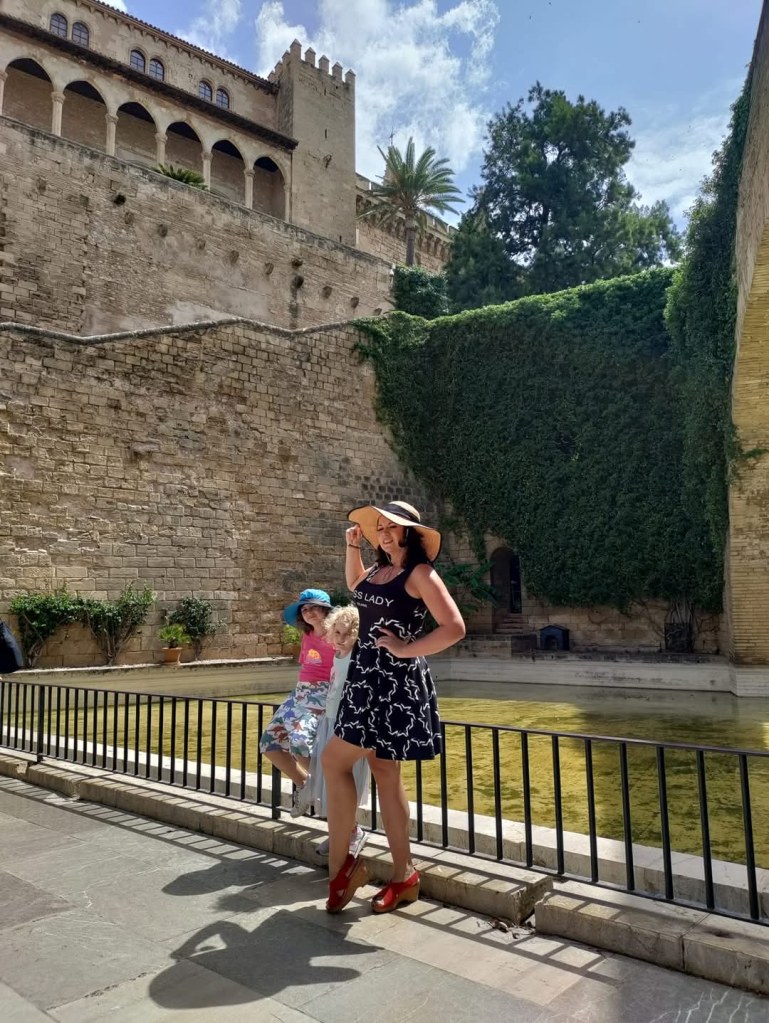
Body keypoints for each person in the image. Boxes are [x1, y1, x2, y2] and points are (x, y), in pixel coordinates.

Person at [322, 501, 465, 914]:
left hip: (394, 682)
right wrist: (352, 547)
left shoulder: (419, 573)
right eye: (379, 528)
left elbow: (454, 627)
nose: (383, 534)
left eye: (391, 528)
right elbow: (357, 588)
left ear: (410, 533)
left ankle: (344, 870)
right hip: (365, 677)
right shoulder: (377, 570)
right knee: (384, 773)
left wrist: (405, 649)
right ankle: (403, 876)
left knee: (335, 761)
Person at [259, 588, 335, 814]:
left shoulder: (337, 634)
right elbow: (307, 667)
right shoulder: (308, 635)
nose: (309, 612)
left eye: (314, 607)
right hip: (300, 693)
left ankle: (328, 788)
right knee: (269, 743)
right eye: (304, 609)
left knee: (300, 743)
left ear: (325, 610)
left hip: (323, 694)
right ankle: (305, 785)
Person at [306, 604, 369, 858]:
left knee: (347, 781)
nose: (341, 639)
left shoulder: (357, 659)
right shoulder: (338, 656)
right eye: (338, 633)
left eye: (348, 634)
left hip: (348, 726)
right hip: (330, 722)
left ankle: (352, 831)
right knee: (330, 784)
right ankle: (338, 834)